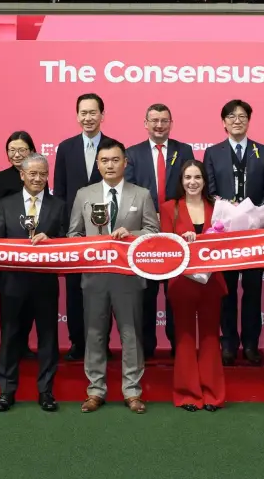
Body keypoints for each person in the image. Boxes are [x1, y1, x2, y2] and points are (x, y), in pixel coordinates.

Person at [69, 139, 159, 414]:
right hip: (94, 277)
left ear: (125, 162)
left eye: (115, 160)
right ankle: (95, 390)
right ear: (97, 164)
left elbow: (154, 232)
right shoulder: (84, 194)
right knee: (94, 334)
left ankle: (132, 391)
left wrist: (131, 236)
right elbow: (73, 235)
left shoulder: (141, 194)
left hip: (128, 277)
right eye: (104, 160)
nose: (110, 165)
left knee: (131, 334)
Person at [203, 99, 264, 366]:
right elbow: (209, 189)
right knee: (227, 291)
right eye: (231, 116)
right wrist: (226, 208)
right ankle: (229, 344)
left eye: (242, 116)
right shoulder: (213, 152)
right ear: (223, 122)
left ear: (248, 120)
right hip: (225, 232)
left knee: (253, 290)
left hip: (254, 231)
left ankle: (252, 344)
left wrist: (251, 212)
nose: (236, 120)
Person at [0, 153, 64, 413]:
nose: (38, 178)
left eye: (43, 174)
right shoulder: (5, 204)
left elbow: (69, 243)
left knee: (48, 338)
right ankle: (6, 392)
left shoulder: (59, 206)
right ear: (22, 175)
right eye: (32, 173)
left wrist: (52, 241)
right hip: (12, 284)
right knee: (10, 338)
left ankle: (46, 392)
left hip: (45, 284)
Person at [124, 103, 194, 358]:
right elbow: (129, 191)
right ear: (145, 123)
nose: (159, 125)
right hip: (145, 234)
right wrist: (149, 213)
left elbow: (190, 187)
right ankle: (146, 347)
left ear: (170, 123)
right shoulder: (132, 153)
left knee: (175, 292)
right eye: (154, 120)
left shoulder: (184, 150)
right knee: (147, 293)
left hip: (177, 230)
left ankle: (180, 346)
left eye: (164, 120)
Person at [54, 93, 118, 361]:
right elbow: (59, 193)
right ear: (77, 115)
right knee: (75, 290)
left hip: (107, 236)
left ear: (102, 115)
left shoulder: (114, 148)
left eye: (93, 112)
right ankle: (77, 342)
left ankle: (101, 344)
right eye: (83, 112)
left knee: (104, 291)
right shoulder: (66, 148)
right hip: (75, 234)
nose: (88, 117)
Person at [159, 159, 227, 412]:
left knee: (210, 337)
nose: (192, 182)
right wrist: (181, 239)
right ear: (181, 181)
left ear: (204, 181)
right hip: (182, 283)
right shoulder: (169, 208)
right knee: (185, 338)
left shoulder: (217, 207)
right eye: (187, 177)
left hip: (212, 282)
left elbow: (228, 241)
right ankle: (188, 394)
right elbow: (165, 244)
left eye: (197, 177)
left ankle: (212, 395)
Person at [0, 130, 40, 361]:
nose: (17, 154)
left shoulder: (38, 177)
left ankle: (23, 346)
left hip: (33, 252)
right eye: (12, 150)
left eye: (22, 149)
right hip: (7, 253)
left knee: (30, 302)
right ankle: (8, 348)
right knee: (9, 303)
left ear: (32, 151)